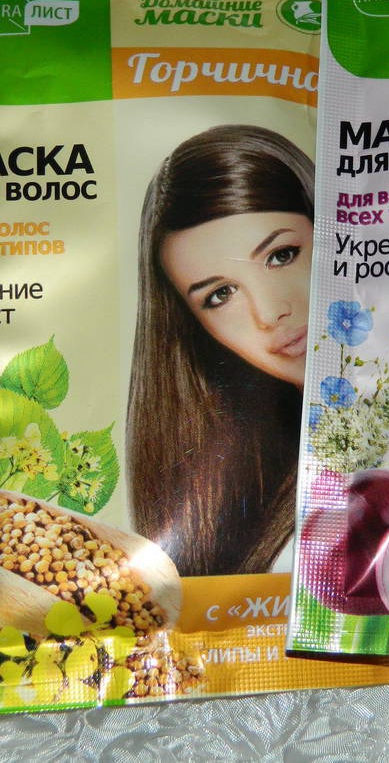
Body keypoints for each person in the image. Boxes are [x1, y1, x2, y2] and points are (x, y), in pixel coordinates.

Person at [126, 124, 313, 576]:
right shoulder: (235, 507)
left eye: (282, 255)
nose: (270, 313)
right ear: (197, 329)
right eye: (221, 295)